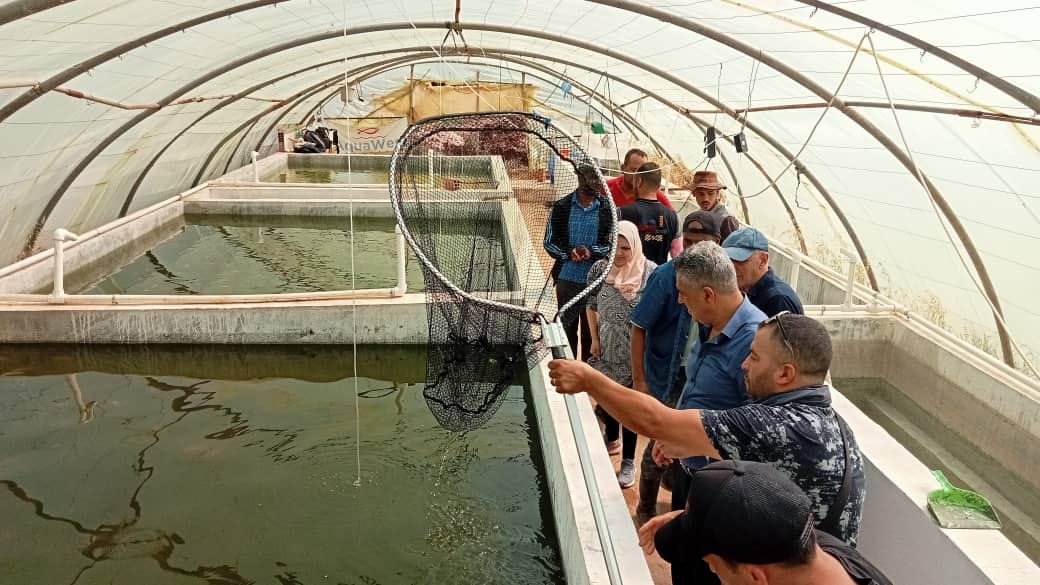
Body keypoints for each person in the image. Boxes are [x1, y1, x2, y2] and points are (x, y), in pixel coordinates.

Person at [548, 312, 866, 548]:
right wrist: (686, 516)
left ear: (786, 373)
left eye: (754, 357)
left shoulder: (777, 428)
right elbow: (772, 508)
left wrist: (588, 379)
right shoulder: (838, 429)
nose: (744, 365)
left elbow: (656, 422)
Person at [641, 460, 892, 585]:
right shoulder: (808, 544)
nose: (715, 574)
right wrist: (686, 517)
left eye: (713, 566)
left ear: (756, 577)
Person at [586, 220, 657, 488]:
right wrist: (594, 339)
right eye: (616, 247)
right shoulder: (599, 269)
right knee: (607, 396)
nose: (619, 254)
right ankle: (611, 439)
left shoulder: (649, 272)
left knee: (628, 403)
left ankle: (628, 461)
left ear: (636, 245)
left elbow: (655, 315)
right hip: (606, 343)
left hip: (633, 348)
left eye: (626, 248)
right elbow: (591, 306)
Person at [544, 164, 613, 361]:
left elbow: (613, 244)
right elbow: (549, 242)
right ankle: (569, 369)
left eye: (597, 177)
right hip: (567, 279)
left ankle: (588, 371)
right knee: (567, 329)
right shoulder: (562, 207)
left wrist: (592, 251)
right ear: (578, 177)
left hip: (597, 281)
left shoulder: (608, 209)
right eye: (588, 177)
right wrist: (569, 252)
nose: (593, 182)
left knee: (592, 332)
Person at [723, 227, 804, 316]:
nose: (731, 267)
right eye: (728, 260)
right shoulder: (746, 290)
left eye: (739, 260)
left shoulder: (778, 301)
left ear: (763, 260)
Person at [618, 162, 680, 265]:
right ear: (659, 186)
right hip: (657, 277)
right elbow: (677, 255)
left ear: (639, 181)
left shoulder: (621, 213)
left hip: (628, 278)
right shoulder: (673, 217)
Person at [606, 148, 675, 210]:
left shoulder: (653, 194)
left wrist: (660, 223)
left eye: (642, 172)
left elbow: (670, 218)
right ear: (623, 168)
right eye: (634, 170)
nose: (638, 175)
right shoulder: (606, 188)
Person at [686, 170, 740, 241]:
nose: (706, 198)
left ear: (717, 193)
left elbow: (732, 248)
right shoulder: (697, 215)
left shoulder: (726, 219)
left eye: (710, 193)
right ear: (694, 193)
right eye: (701, 194)